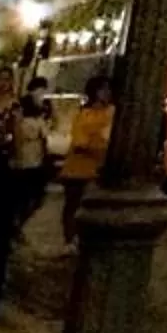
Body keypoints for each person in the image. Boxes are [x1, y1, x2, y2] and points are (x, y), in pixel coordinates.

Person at [60, 74, 115, 244]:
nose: (106, 93)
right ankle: (70, 239)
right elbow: (80, 143)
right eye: (102, 89)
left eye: (108, 89)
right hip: (77, 169)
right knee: (73, 206)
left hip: (98, 169)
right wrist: (98, 145)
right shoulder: (84, 114)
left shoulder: (111, 112)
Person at [10, 89, 53, 239]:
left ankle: (16, 224)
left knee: (20, 197)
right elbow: (45, 141)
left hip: (21, 163)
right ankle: (19, 225)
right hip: (34, 163)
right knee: (33, 198)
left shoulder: (19, 121)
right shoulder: (37, 121)